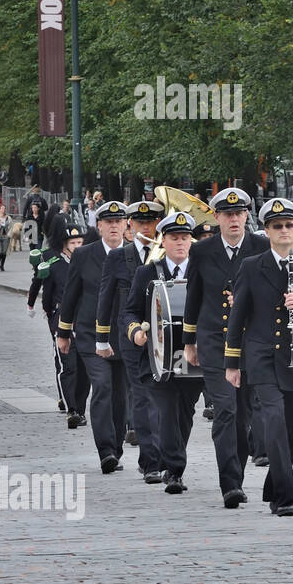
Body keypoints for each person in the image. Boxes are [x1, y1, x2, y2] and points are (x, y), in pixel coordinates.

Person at [224, 198, 293, 517]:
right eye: (277, 226)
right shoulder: (251, 266)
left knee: (289, 431)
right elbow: (238, 316)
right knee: (272, 422)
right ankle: (286, 497)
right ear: (267, 231)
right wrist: (232, 363)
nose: (284, 231)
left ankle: (274, 484)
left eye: (289, 225)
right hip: (261, 358)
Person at [183, 188, 270, 506]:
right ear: (217, 217)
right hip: (215, 341)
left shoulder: (261, 246)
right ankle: (230, 483)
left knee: (244, 414)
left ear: (247, 215)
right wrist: (189, 341)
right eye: (227, 214)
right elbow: (193, 296)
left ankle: (239, 474)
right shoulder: (203, 251)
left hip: (250, 343)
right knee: (226, 410)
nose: (234, 219)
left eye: (239, 213)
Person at [125, 211, 205, 494]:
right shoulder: (147, 272)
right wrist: (136, 331)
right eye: (174, 238)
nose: (180, 243)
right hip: (158, 357)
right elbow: (131, 310)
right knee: (167, 412)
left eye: (185, 238)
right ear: (164, 240)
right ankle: (174, 470)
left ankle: (174, 460)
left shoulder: (202, 271)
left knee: (185, 412)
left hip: (191, 356)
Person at [57, 200, 130, 472]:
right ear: (99, 226)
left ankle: (117, 445)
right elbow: (71, 295)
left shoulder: (135, 255)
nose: (113, 226)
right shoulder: (84, 255)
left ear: (126, 225)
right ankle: (106, 451)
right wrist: (64, 333)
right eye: (108, 222)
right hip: (90, 335)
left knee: (122, 395)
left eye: (118, 221)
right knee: (102, 386)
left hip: (124, 337)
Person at [97, 199, 165, 477]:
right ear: (131, 225)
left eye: (150, 222)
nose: (145, 226)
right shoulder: (118, 257)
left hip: (164, 337)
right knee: (141, 396)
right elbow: (106, 298)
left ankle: (164, 454)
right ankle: (150, 462)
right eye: (139, 222)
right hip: (131, 338)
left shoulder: (165, 254)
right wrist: (102, 338)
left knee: (163, 398)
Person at [42, 224, 89, 429]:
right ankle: (71, 409)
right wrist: (54, 320)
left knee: (85, 371)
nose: (77, 246)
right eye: (73, 243)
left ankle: (80, 407)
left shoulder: (90, 264)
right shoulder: (55, 265)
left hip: (85, 323)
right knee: (68, 367)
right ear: (64, 246)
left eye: (80, 242)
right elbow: (47, 298)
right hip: (63, 322)